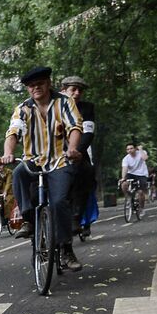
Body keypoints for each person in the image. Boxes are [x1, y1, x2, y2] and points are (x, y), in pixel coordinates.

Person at [0, 67, 84, 270]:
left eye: (40, 84)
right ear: (28, 89)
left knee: (59, 201)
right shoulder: (23, 108)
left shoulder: (64, 102)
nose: (36, 88)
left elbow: (75, 127)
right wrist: (8, 153)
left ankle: (66, 249)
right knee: (18, 172)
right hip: (33, 160)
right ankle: (28, 218)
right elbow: (13, 132)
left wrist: (72, 149)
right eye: (32, 86)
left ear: (49, 83)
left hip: (59, 160)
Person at [59, 76, 97, 238]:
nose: (77, 93)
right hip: (53, 153)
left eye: (79, 90)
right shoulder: (54, 106)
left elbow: (88, 134)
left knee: (85, 174)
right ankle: (32, 220)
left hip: (78, 153)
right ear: (63, 91)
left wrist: (76, 152)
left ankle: (77, 217)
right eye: (73, 89)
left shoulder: (87, 108)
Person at [0, 160, 20, 234]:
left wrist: (6, 191)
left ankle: (7, 218)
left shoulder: (9, 172)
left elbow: (9, 183)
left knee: (7, 202)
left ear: (3, 165)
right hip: (1, 193)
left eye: (1, 165)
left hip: (10, 192)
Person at [120, 142, 150, 216]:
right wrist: (123, 178)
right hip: (131, 174)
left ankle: (142, 208)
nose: (129, 150)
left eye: (131, 148)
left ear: (135, 148)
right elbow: (125, 168)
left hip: (142, 174)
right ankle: (128, 198)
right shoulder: (126, 159)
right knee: (124, 184)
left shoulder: (141, 153)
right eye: (128, 149)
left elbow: (145, 158)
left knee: (140, 192)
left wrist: (140, 149)